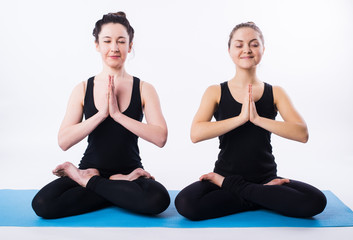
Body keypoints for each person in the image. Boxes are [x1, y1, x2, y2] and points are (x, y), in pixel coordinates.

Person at [174, 22, 327, 221]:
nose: (246, 49)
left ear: (263, 49)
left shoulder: (276, 92)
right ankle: (262, 196)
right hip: (225, 175)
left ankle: (245, 191)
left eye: (254, 44)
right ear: (229, 50)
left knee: (316, 201)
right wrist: (240, 118)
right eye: (239, 45)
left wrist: (256, 119)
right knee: (186, 203)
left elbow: (301, 133)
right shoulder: (215, 91)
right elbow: (196, 133)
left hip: (264, 178)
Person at [32, 12, 170, 219]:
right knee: (42, 204)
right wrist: (101, 114)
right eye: (107, 41)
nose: (114, 48)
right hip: (91, 168)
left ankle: (91, 183)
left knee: (158, 199)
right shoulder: (82, 88)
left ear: (130, 46)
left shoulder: (144, 88)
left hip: (130, 172)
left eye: (121, 41)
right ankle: (115, 187)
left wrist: (117, 115)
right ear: (97, 45)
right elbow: (63, 141)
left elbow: (160, 138)